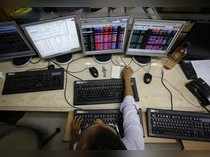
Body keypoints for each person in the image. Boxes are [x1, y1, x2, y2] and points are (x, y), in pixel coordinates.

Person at [70, 66, 144, 150]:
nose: (98, 121)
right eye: (104, 127)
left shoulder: (79, 148)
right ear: (116, 138)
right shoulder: (135, 146)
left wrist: (75, 138)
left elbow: (75, 148)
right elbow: (129, 105)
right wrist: (127, 78)